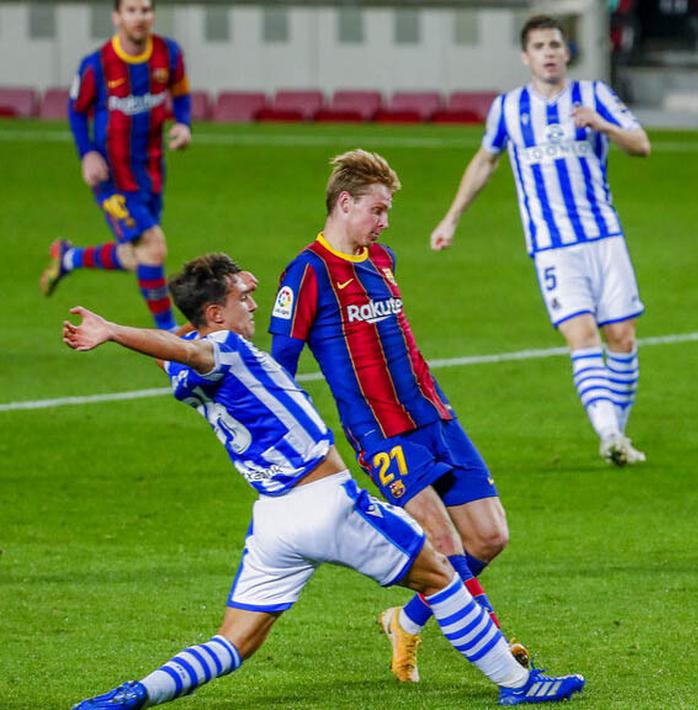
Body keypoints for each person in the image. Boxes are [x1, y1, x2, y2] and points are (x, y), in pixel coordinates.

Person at [63, 253, 584, 709]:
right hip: (328, 503)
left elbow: (173, 347)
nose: (253, 303)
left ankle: (141, 691)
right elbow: (191, 346)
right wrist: (111, 329)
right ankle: (518, 683)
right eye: (240, 299)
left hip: (274, 522)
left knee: (235, 642)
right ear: (215, 317)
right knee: (442, 575)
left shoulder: (190, 370)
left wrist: (217, 290)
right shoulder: (222, 348)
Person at [270, 150, 529, 684]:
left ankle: (404, 620)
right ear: (345, 203)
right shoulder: (308, 272)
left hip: (434, 415)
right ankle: (502, 650)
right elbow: (280, 369)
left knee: (490, 538)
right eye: (377, 210)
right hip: (381, 432)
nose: (385, 222)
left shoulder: (382, 260)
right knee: (447, 545)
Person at [428, 14, 652, 466]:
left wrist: (602, 125)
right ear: (525, 57)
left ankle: (617, 433)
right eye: (540, 46)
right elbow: (486, 161)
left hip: (604, 236)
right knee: (583, 336)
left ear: (567, 52)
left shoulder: (594, 96)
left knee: (622, 338)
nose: (549, 53)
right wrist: (451, 218)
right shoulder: (508, 108)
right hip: (552, 246)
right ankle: (608, 434)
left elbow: (641, 144)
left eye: (555, 44)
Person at [40, 0, 191, 331]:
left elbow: (180, 93)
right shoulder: (96, 65)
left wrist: (183, 124)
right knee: (153, 247)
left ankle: (68, 258)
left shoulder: (169, 54)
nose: (140, 17)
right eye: (132, 10)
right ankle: (168, 339)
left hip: (150, 172)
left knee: (135, 255)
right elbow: (77, 110)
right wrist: (87, 153)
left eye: (146, 9)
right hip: (110, 176)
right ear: (117, 16)